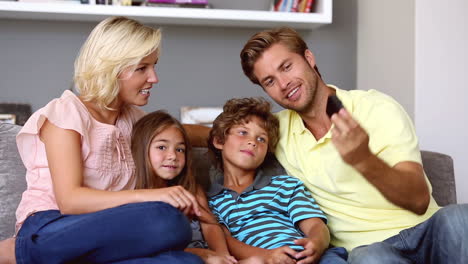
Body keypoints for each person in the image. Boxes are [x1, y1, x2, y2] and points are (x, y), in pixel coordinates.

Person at [238, 27, 468, 263]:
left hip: (428, 233)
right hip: (371, 250)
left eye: (286, 67)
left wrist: (363, 159)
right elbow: (222, 134)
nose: (284, 83)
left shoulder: (375, 107)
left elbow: (418, 200)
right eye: (270, 81)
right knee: (370, 258)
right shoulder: (275, 130)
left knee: (460, 217)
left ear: (308, 58)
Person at [0, 16, 203, 264]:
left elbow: (184, 132)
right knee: (167, 220)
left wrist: (229, 135)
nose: (154, 78)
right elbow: (70, 201)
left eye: (154, 66)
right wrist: (153, 196)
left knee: (187, 262)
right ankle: (21, 253)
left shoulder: (135, 120)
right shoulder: (66, 113)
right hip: (50, 228)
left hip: (107, 235)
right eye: (142, 68)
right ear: (111, 69)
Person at [206, 97, 348, 264]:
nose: (252, 142)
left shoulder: (285, 185)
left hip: (308, 256)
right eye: (243, 132)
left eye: (261, 139)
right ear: (219, 141)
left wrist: (316, 243)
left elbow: (315, 225)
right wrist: (266, 256)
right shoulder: (212, 202)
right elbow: (226, 243)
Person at [130, 110, 239, 264]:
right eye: (162, 147)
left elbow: (210, 224)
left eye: (179, 149)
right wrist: (202, 254)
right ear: (142, 149)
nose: (173, 156)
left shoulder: (190, 188)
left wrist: (223, 255)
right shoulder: (135, 195)